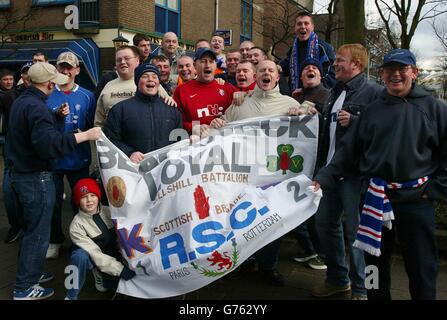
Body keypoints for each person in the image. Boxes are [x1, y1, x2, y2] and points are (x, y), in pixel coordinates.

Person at [314, 48, 447, 300]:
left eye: (402, 69)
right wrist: (323, 177)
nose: (396, 74)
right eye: (390, 70)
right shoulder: (372, 110)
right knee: (373, 265)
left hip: (416, 201)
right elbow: (348, 151)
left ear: (414, 73)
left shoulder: (435, 109)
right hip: (375, 199)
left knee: (422, 267)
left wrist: (434, 190)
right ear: (382, 74)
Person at [210, 59, 315, 286]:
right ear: (255, 76)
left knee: (271, 222)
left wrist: (305, 110)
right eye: (262, 71)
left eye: (271, 71)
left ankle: (268, 265)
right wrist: (216, 123)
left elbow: (310, 120)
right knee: (241, 220)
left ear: (277, 77)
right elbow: (218, 131)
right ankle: (244, 261)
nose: (266, 74)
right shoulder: (239, 104)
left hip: (274, 177)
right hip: (243, 176)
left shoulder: (289, 103)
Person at [5, 62, 101, 300]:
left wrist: (55, 117)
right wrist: (85, 136)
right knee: (38, 232)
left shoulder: (23, 102)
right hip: (35, 176)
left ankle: (32, 274)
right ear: (48, 84)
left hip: (20, 173)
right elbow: (50, 146)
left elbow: (31, 133)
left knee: (32, 229)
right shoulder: (37, 108)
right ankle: (24, 287)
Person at [312, 44, 383, 300]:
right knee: (325, 226)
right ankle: (337, 279)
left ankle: (363, 289)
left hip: (355, 177)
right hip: (330, 173)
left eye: (340, 60)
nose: (335, 64)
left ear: (356, 64)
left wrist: (356, 121)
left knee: (357, 234)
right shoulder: (335, 91)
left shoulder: (374, 92)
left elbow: (382, 129)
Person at [45, 52, 96, 259]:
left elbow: (93, 125)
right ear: (56, 69)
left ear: (77, 70)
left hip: (78, 159)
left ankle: (80, 241)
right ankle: (55, 240)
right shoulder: (48, 93)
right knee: (53, 202)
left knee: (81, 202)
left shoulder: (87, 95)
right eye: (61, 67)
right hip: (53, 161)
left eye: (69, 67)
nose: (65, 71)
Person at [65, 178, 135, 300]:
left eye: (92, 195)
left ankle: (106, 275)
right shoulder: (76, 225)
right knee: (78, 256)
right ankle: (71, 295)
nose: (89, 200)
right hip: (95, 257)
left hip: (114, 254)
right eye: (84, 197)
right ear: (77, 201)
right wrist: (119, 269)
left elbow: (123, 238)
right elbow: (94, 253)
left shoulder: (109, 211)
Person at [291, 58, 329, 270]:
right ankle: (312, 250)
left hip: (317, 163)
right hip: (300, 163)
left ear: (321, 76)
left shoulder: (327, 95)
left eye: (314, 67)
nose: (310, 69)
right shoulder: (297, 97)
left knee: (316, 210)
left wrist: (318, 113)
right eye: (306, 68)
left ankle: (322, 254)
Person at [104, 63, 182, 163]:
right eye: (145, 76)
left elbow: (180, 139)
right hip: (135, 171)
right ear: (137, 82)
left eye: (155, 77)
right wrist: (129, 153)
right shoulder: (120, 109)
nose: (150, 79)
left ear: (158, 82)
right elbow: (110, 139)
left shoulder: (172, 109)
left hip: (166, 170)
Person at [94, 46, 171, 128]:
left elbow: (167, 111)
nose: (122, 62)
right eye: (119, 60)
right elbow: (99, 122)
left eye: (127, 58)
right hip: (113, 137)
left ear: (137, 60)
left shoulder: (150, 83)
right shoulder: (108, 86)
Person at [0, 62, 32, 244]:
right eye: (25, 74)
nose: (28, 77)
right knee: (10, 187)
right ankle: (17, 226)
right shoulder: (11, 95)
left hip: (30, 150)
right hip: (14, 146)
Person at [173, 48, 237, 134]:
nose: (207, 65)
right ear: (195, 66)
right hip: (196, 144)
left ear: (215, 65)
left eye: (211, 61)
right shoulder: (181, 91)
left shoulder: (228, 88)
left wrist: (243, 94)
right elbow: (177, 122)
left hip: (226, 142)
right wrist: (195, 127)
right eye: (203, 61)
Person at [280, 11, 336, 95]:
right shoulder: (293, 49)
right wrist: (276, 66)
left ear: (312, 27)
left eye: (306, 23)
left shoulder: (324, 48)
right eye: (299, 24)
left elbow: (332, 75)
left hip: (317, 96)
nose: (303, 27)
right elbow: (286, 65)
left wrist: (307, 90)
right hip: (295, 95)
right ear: (295, 28)